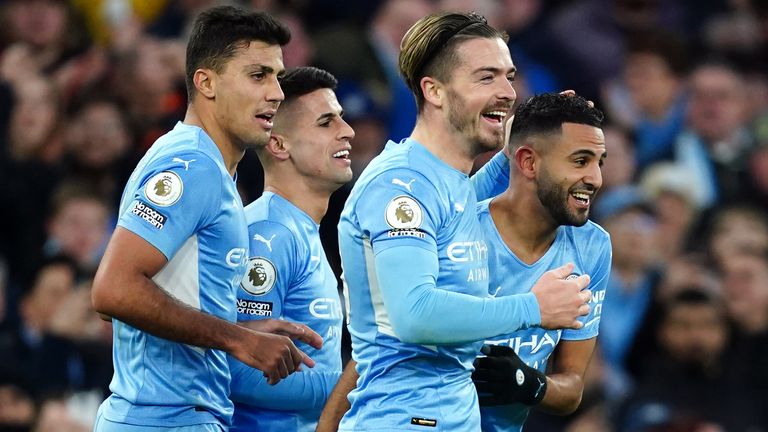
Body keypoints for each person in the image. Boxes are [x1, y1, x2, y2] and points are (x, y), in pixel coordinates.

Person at [322, 12, 592, 432]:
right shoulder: (402, 186)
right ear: (435, 91)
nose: (507, 92)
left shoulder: (452, 182)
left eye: (509, 76)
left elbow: (495, 173)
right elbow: (414, 313)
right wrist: (533, 308)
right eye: (486, 78)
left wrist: (536, 130)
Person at [90, 6, 317, 431]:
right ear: (206, 82)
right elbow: (112, 292)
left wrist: (232, 322)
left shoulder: (205, 165)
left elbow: (135, 299)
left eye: (277, 77)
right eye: (258, 75)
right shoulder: (192, 166)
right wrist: (238, 339)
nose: (277, 93)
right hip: (162, 418)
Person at [471, 93, 611, 431]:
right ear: (529, 163)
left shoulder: (592, 246)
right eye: (580, 161)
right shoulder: (463, 233)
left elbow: (572, 387)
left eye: (599, 162)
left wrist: (531, 383)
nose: (595, 179)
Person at [228, 66, 353, 431]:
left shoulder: (301, 229)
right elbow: (239, 372)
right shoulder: (268, 234)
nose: (348, 131)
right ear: (279, 144)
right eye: (326, 122)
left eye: (341, 119)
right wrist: (359, 386)